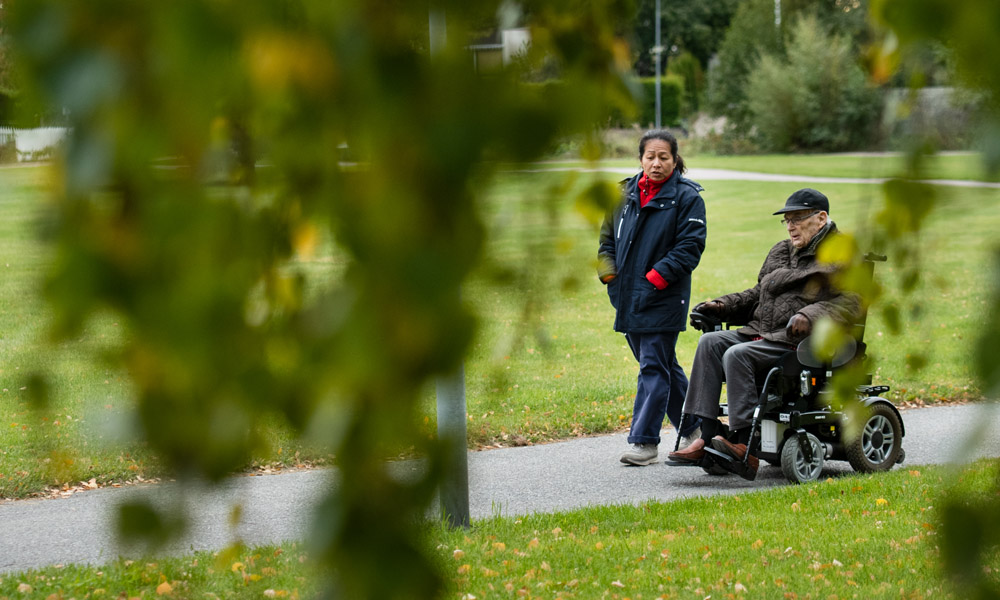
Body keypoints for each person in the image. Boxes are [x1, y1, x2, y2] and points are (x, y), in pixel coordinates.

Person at [666, 188, 862, 477]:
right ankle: (706, 438)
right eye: (787, 220)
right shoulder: (781, 251)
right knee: (710, 342)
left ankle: (745, 445)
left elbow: (853, 302)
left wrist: (810, 314)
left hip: (801, 343)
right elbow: (758, 294)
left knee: (737, 354)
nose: (791, 225)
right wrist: (722, 305)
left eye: (798, 218)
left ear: (821, 218)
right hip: (763, 332)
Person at [597, 130, 706, 466]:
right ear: (640, 158)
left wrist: (653, 280)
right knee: (663, 367)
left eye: (664, 157)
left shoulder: (688, 198)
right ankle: (696, 429)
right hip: (627, 296)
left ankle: (644, 442)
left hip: (663, 296)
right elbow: (605, 239)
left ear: (675, 160)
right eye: (650, 157)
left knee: (653, 368)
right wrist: (610, 276)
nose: (657, 163)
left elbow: (690, 248)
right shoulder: (622, 193)